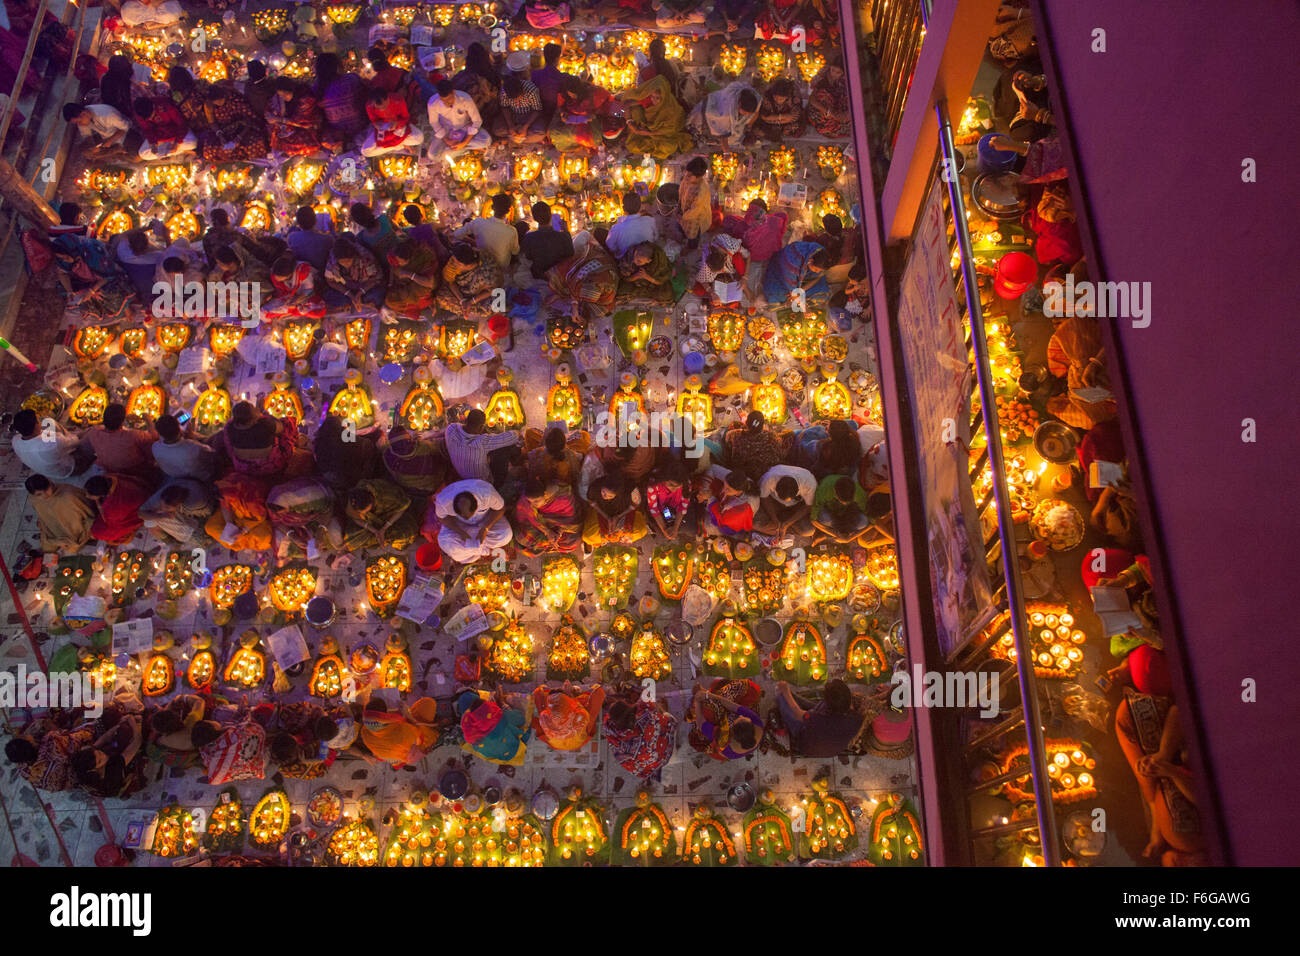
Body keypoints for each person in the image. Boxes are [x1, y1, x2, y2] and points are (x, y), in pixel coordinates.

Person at [775, 679, 871, 757]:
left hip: (807, 747)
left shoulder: (817, 718)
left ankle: (785, 697)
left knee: (782, 698)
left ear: (828, 705)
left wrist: (786, 691)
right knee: (808, 705)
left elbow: (797, 713)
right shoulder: (857, 719)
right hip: (833, 751)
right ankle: (798, 699)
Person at [217, 401, 311, 478]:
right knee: (288, 423)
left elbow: (230, 449)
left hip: (243, 467)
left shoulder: (229, 426)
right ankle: (299, 440)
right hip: (270, 466)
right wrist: (267, 417)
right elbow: (281, 427)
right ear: (253, 419)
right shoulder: (265, 425)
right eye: (254, 409)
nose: (256, 409)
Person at [434, 478, 511, 564]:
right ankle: (487, 550)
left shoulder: (487, 494)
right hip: (460, 525)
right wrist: (460, 532)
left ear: (476, 505)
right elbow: (442, 518)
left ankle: (478, 549)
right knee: (447, 545)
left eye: (469, 515)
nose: (468, 518)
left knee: (505, 535)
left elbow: (500, 509)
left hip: (485, 520)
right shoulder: (444, 501)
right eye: (462, 514)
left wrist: (485, 528)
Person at [603, 692, 678, 779]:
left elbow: (607, 726)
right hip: (669, 741)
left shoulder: (620, 741)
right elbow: (646, 696)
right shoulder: (645, 715)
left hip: (659, 763)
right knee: (661, 713)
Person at [688, 679, 763, 760]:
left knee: (706, 711)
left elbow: (700, 723)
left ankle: (705, 700)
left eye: (739, 719)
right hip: (735, 723)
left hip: (723, 731)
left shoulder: (723, 741)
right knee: (743, 687)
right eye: (745, 718)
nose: (741, 716)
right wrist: (707, 695)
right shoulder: (757, 723)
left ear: (732, 731)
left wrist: (697, 700)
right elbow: (733, 706)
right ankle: (708, 697)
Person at [621, 75, 693, 160]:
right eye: (652, 96)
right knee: (631, 144)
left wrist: (647, 133)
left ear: (664, 96)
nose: (653, 100)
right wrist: (630, 123)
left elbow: (670, 129)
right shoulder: (647, 99)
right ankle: (651, 149)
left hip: (662, 135)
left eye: (657, 98)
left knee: (669, 147)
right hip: (643, 130)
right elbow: (626, 105)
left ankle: (651, 150)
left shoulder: (672, 108)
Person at [546, 239, 618, 322]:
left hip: (602, 275)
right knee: (560, 276)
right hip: (593, 263)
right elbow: (575, 288)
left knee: (599, 312)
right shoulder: (584, 281)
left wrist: (575, 306)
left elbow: (579, 294)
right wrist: (575, 307)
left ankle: (567, 295)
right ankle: (563, 294)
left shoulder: (608, 296)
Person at [358, 696, 439, 768]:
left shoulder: (364, 731)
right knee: (428, 703)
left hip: (391, 758)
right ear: (385, 715)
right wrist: (408, 715)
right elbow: (419, 739)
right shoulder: (403, 730)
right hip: (410, 749)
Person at [9, 409, 93, 479]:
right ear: (35, 426)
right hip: (71, 468)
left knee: (47, 421)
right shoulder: (51, 445)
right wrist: (81, 433)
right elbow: (76, 442)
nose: (40, 421)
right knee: (91, 434)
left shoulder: (15, 440)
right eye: (38, 420)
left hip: (48, 459)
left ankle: (68, 434)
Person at [445, 407, 519, 483]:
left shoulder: (451, 429)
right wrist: (517, 432)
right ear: (481, 427)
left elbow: (458, 426)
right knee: (504, 449)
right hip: (483, 482)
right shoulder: (482, 442)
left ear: (466, 420)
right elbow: (513, 437)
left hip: (462, 475)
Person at [457, 689, 530, 766]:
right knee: (523, 714)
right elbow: (521, 719)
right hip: (513, 749)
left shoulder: (469, 731)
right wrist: (505, 706)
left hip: (490, 752)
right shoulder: (501, 717)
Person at [342, 478, 419, 550]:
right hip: (373, 522)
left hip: (392, 518)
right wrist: (374, 531)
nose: (361, 514)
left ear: (370, 503)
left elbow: (402, 508)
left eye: (363, 512)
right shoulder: (355, 496)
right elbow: (356, 518)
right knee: (351, 539)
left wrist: (384, 528)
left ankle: (384, 538)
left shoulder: (388, 496)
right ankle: (381, 538)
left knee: (408, 533)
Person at [25, 475, 95, 553]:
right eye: (39, 494)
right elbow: (44, 517)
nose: (45, 495)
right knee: (47, 550)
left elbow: (90, 514)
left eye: (46, 490)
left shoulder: (68, 495)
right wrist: (59, 541)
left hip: (77, 531)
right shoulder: (34, 499)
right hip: (55, 531)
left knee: (73, 550)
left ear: (50, 483)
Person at [514, 477, 583, 555]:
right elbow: (531, 518)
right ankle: (550, 545)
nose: (533, 504)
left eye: (536, 501)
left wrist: (558, 532)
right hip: (544, 525)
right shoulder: (526, 499)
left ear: (546, 494)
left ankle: (549, 545)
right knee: (522, 537)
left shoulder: (563, 496)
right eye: (531, 501)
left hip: (564, 527)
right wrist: (548, 532)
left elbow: (569, 519)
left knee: (573, 541)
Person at [548, 73, 616, 153]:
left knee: (595, 139)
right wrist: (565, 116)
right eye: (569, 93)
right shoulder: (563, 95)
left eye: (574, 93)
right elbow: (561, 111)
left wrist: (591, 116)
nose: (572, 95)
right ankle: (574, 146)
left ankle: (577, 145)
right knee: (554, 133)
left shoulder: (593, 93)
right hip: (569, 120)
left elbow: (607, 102)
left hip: (590, 122)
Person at [434, 242, 504, 319]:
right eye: (453, 259)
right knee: (441, 295)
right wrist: (462, 300)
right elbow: (451, 283)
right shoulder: (455, 262)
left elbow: (491, 290)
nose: (452, 263)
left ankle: (470, 309)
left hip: (480, 295)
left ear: (468, 265)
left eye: (457, 263)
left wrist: (471, 301)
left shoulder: (487, 273)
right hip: (462, 292)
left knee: (498, 302)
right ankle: (468, 308)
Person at [85, 403, 156, 477]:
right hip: (134, 470)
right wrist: (149, 420)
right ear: (122, 422)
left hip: (109, 467)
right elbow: (154, 438)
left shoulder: (94, 432)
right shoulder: (133, 435)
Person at [453, 193, 520, 270]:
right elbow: (515, 251)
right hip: (501, 268)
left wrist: (472, 241)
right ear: (508, 211)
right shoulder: (511, 231)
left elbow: (457, 234)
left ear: (492, 208)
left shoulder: (478, 222)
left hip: (482, 264)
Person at [139, 478, 215, 544]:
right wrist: (160, 516)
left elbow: (206, 513)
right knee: (149, 522)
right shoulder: (164, 495)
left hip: (205, 506)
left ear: (178, 505)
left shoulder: (194, 502)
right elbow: (140, 513)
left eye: (167, 508)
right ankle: (170, 540)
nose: (163, 509)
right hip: (185, 503)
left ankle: (199, 537)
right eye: (162, 505)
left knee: (191, 532)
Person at [492, 54, 547, 145]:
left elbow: (537, 110)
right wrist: (511, 126)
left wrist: (525, 127)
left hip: (528, 116)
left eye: (518, 99)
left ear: (522, 90)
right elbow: (505, 107)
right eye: (513, 100)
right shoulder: (504, 90)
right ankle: (519, 137)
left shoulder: (531, 90)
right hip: (513, 115)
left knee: (541, 133)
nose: (516, 102)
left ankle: (513, 138)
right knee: (497, 130)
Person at [532, 682, 605, 751]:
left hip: (556, 742)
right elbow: (599, 693)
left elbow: (538, 693)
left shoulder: (545, 716)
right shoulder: (581, 717)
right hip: (577, 739)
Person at [427, 79, 490, 158]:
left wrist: (465, 142)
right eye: (444, 101)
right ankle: (460, 149)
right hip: (446, 129)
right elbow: (434, 123)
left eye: (449, 99)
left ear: (453, 92)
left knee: (487, 140)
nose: (447, 103)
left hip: (464, 127)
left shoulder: (465, 98)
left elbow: (477, 121)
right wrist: (447, 140)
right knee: (432, 155)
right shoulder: (433, 103)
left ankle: (456, 149)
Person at [316, 51, 368, 147]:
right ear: (337, 67)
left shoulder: (317, 89)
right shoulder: (351, 79)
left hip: (337, 132)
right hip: (361, 125)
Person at [381, 426, 448, 497]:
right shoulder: (424, 447)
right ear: (409, 439)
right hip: (432, 487)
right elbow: (440, 447)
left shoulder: (387, 454)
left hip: (409, 489)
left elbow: (387, 446)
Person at [84, 473, 151, 544]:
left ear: (101, 494)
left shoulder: (113, 507)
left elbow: (110, 522)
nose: (87, 496)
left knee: (96, 532)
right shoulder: (110, 478)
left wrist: (99, 505)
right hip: (143, 492)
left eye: (90, 495)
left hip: (142, 509)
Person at [583, 475, 648, 546]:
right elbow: (592, 502)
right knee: (588, 537)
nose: (605, 496)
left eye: (610, 496)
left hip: (623, 513)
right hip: (601, 512)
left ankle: (621, 537)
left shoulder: (631, 489)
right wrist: (607, 517)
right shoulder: (595, 487)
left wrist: (618, 517)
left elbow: (635, 505)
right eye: (603, 492)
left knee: (640, 531)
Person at [689, 82, 760, 148]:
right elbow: (723, 135)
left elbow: (756, 109)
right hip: (707, 115)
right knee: (732, 139)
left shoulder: (743, 91)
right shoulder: (726, 115)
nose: (746, 115)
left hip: (715, 100)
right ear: (739, 104)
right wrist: (726, 152)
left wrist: (749, 126)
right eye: (745, 113)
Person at [323, 236, 386, 310]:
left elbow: (375, 279)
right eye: (342, 262)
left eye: (348, 261)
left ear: (354, 256)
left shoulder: (365, 257)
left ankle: (358, 302)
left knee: (377, 294)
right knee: (330, 297)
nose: (346, 264)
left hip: (365, 286)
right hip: (346, 288)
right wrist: (350, 294)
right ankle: (358, 302)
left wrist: (360, 293)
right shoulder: (333, 260)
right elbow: (330, 281)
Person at [360, 85, 424, 157]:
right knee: (365, 151)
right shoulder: (369, 106)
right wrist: (377, 124)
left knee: (419, 138)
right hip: (383, 129)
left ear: (387, 98)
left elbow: (406, 118)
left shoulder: (398, 100)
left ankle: (390, 146)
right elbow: (374, 120)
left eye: (384, 107)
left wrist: (397, 124)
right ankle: (399, 146)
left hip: (398, 126)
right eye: (378, 108)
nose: (382, 110)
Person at [754, 464, 816, 539]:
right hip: (774, 504)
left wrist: (788, 523)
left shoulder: (809, 483)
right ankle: (778, 526)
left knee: (808, 531)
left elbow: (808, 506)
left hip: (795, 507)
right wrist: (774, 519)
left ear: (797, 491)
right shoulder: (769, 478)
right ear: (776, 487)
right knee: (754, 521)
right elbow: (764, 498)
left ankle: (781, 527)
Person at [265, 78, 323, 156]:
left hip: (309, 127)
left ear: (291, 89)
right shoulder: (285, 98)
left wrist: (278, 119)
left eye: (285, 94)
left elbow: (302, 121)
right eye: (281, 95)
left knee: (304, 145)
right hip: (293, 125)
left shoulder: (306, 99)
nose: (283, 97)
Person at [150, 414, 217, 481]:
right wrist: (193, 438)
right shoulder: (193, 448)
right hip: (197, 479)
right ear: (179, 429)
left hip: (172, 475)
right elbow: (211, 452)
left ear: (160, 433)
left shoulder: (155, 447)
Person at [763, 240, 831, 306]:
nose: (818, 272)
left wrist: (801, 289)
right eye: (816, 269)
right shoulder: (793, 263)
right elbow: (793, 291)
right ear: (810, 260)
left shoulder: (820, 252)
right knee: (778, 296)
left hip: (804, 272)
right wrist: (804, 308)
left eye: (819, 270)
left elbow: (817, 277)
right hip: (781, 271)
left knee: (822, 291)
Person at [812, 474, 873, 545]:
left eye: (849, 500)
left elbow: (872, 523)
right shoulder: (825, 489)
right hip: (831, 512)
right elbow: (813, 520)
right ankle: (828, 534)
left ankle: (836, 534)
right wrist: (836, 534)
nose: (844, 504)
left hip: (849, 515)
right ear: (834, 491)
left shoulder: (859, 493)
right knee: (823, 518)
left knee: (863, 522)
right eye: (841, 500)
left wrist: (849, 539)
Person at [724, 410, 785, 481]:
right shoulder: (771, 436)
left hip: (747, 475)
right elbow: (779, 451)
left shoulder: (737, 437)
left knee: (733, 426)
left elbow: (735, 459)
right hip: (768, 473)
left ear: (746, 423)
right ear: (763, 425)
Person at [384, 238, 440, 316]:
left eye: (401, 261)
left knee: (412, 307)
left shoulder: (424, 257)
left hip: (420, 282)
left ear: (410, 259)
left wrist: (410, 275)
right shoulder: (396, 253)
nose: (398, 263)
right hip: (404, 281)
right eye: (398, 260)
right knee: (390, 301)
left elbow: (430, 283)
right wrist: (390, 283)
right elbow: (392, 267)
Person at [262, 254, 326, 321]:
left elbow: (308, 291)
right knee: (266, 311)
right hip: (290, 297)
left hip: (306, 296)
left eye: (280, 278)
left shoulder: (302, 272)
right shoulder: (275, 273)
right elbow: (281, 290)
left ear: (288, 275)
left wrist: (294, 302)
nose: (277, 279)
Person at [520, 201, 574, 279]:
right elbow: (570, 253)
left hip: (539, 274)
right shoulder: (563, 236)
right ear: (550, 215)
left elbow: (529, 256)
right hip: (559, 274)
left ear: (534, 218)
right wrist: (566, 230)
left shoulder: (529, 238)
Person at [133, 95, 197, 161]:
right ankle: (173, 152)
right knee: (142, 153)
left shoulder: (165, 105)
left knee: (193, 142)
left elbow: (181, 123)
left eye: (151, 116)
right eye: (148, 118)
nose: (150, 119)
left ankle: (170, 151)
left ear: (153, 107)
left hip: (175, 133)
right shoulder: (139, 114)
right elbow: (147, 129)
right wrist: (153, 144)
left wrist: (177, 143)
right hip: (159, 138)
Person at [699, 466, 757, 536]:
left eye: (728, 489)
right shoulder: (735, 479)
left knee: (708, 526)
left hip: (732, 522)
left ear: (739, 491)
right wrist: (705, 489)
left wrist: (710, 498)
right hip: (728, 509)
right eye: (724, 485)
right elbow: (712, 468)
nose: (724, 490)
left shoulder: (743, 508)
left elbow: (720, 520)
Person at [644, 457, 693, 538]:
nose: (674, 489)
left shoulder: (686, 483)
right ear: (664, 479)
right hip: (660, 507)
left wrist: (675, 528)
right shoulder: (653, 483)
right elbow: (654, 508)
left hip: (674, 508)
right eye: (671, 485)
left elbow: (683, 507)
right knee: (660, 532)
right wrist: (664, 530)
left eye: (678, 486)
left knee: (689, 529)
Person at [62, 102, 130, 155]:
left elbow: (125, 128)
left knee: (133, 156)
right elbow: (86, 136)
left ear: (84, 113)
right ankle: (115, 152)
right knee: (85, 151)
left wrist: (110, 141)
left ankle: (118, 150)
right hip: (105, 138)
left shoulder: (107, 115)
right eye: (76, 123)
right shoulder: (84, 118)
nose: (79, 124)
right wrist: (92, 147)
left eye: (79, 121)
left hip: (123, 136)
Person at [605, 192, 658, 259]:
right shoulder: (650, 220)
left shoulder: (616, 228)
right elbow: (656, 238)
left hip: (626, 262)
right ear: (641, 207)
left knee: (599, 232)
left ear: (623, 208)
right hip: (646, 258)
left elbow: (610, 246)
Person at [807, 61, 851, 137]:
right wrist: (830, 112)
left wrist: (843, 115)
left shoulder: (844, 80)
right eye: (833, 70)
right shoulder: (822, 77)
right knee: (823, 95)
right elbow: (812, 99)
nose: (833, 74)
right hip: (822, 109)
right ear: (830, 67)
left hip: (837, 108)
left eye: (838, 72)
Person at [286, 206, 335, 273]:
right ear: (315, 220)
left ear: (298, 222)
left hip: (300, 274)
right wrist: (332, 230)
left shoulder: (292, 237)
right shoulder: (327, 239)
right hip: (320, 276)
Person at [677, 155, 713, 245]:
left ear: (699, 177)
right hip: (685, 211)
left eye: (689, 175)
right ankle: (684, 235)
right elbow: (681, 190)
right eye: (686, 173)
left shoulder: (701, 191)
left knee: (693, 236)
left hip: (695, 218)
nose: (686, 176)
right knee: (682, 228)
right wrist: (679, 204)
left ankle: (691, 246)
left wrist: (682, 217)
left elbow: (695, 210)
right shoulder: (688, 178)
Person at [531, 42, 566, 121]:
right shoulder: (560, 76)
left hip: (536, 107)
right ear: (557, 59)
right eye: (560, 56)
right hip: (551, 110)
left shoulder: (534, 73)